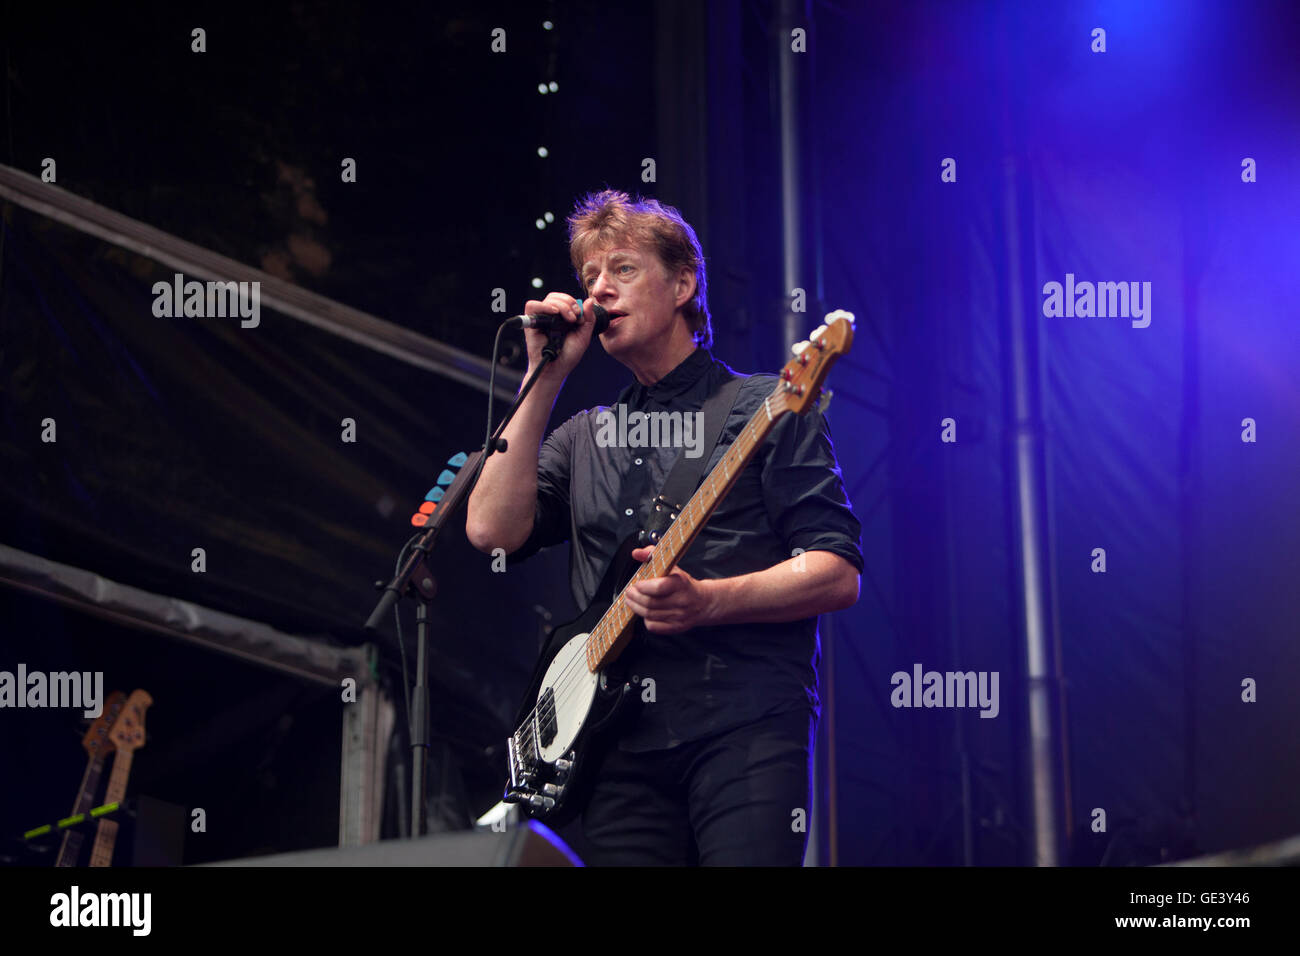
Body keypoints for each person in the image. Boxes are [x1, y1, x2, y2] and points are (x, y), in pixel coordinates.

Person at [466, 189, 862, 865]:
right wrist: (543, 376)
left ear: (683, 284)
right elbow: (490, 531)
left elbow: (837, 572)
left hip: (745, 728)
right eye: (589, 276)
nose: (599, 290)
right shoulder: (583, 435)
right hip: (612, 750)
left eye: (622, 269)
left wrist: (710, 601)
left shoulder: (768, 406)